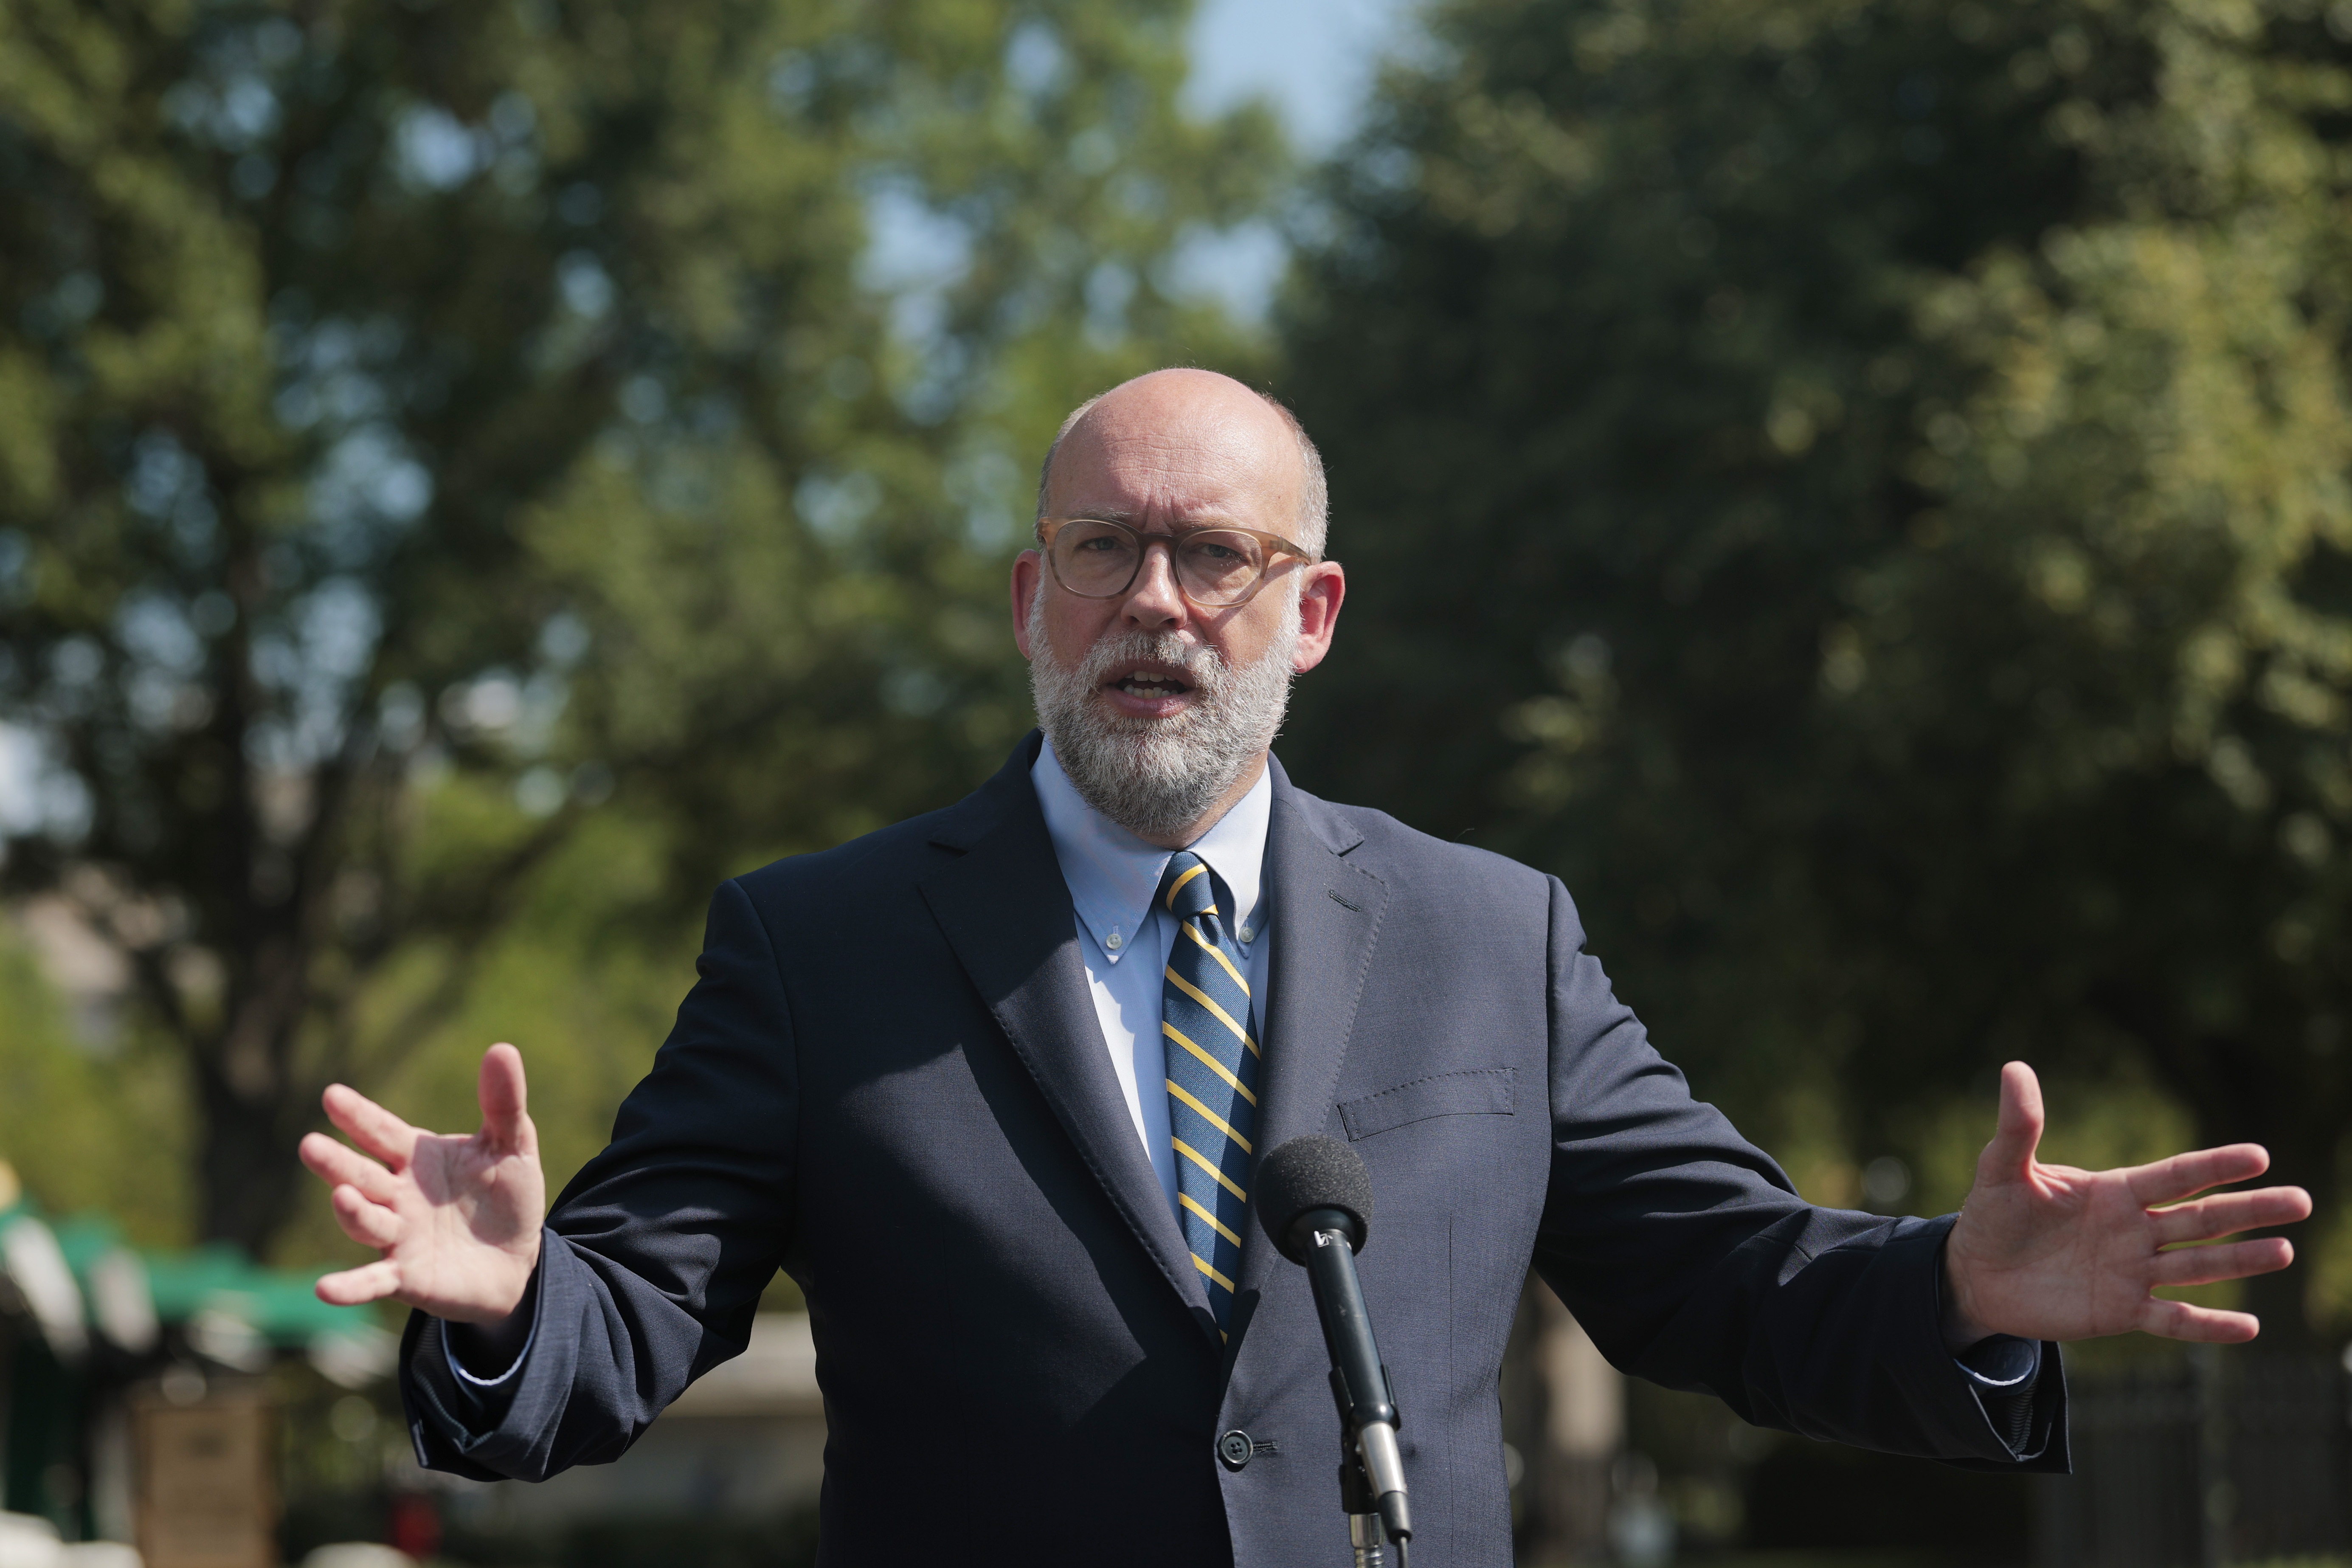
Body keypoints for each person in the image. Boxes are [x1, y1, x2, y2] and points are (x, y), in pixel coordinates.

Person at [300, 370, 2311, 1565]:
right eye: (1100, 550)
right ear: (1028, 599)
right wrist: (505, 1304)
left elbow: (1713, 1275)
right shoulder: (819, 945)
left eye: (1212, 558)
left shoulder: (1485, 938)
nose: (1152, 604)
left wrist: (1951, 1289)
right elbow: (622, 1329)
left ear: (1312, 610)